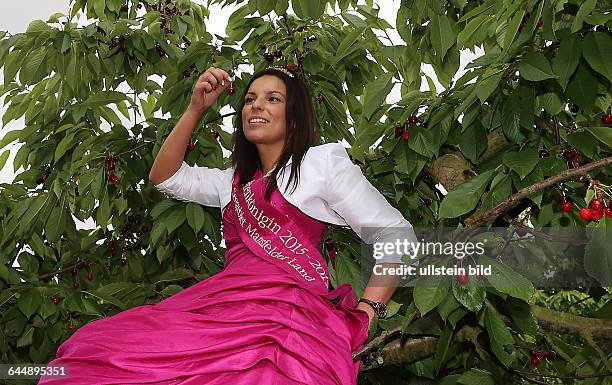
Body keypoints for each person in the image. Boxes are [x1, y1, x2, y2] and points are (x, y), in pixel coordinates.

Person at [38, 66, 417, 385]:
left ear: (295, 116)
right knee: (91, 351)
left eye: (273, 99)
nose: (257, 106)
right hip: (222, 308)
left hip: (284, 315)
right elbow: (165, 176)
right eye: (250, 99)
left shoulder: (322, 163)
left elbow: (393, 233)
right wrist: (195, 108)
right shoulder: (230, 181)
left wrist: (368, 310)